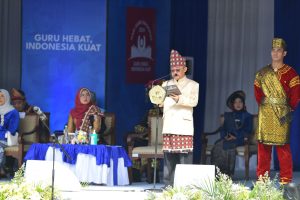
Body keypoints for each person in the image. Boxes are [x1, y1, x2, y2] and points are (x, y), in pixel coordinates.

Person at [254, 38, 300, 184]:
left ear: (284, 53)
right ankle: (262, 180)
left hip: (283, 113)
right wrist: (267, 107)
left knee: (283, 147)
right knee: (263, 147)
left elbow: (295, 95)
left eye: (279, 50)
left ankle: (285, 180)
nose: (275, 53)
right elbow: (257, 93)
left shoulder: (291, 73)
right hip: (266, 113)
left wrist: (287, 110)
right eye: (273, 50)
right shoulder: (262, 73)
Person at [160, 49, 199, 187]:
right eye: (173, 69)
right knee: (169, 157)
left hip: (183, 126)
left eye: (178, 69)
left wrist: (179, 98)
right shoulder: (166, 84)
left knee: (184, 158)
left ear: (185, 69)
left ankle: (186, 186)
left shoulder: (193, 85)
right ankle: (168, 185)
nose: (175, 72)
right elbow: (161, 102)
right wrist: (157, 99)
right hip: (169, 124)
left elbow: (194, 102)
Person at [211, 91, 253, 177]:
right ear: (233, 104)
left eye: (240, 102)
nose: (238, 104)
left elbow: (248, 130)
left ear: (243, 103)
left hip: (240, 139)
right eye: (235, 102)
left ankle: (227, 174)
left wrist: (235, 136)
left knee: (228, 145)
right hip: (228, 138)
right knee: (218, 145)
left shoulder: (248, 116)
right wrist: (225, 136)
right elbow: (223, 129)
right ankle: (217, 174)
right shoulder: (228, 115)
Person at [0, 89, 20, 176]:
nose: (0, 98)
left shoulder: (13, 112)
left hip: (7, 139)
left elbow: (12, 129)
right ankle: (1, 170)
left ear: (7, 97)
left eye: (2, 96)